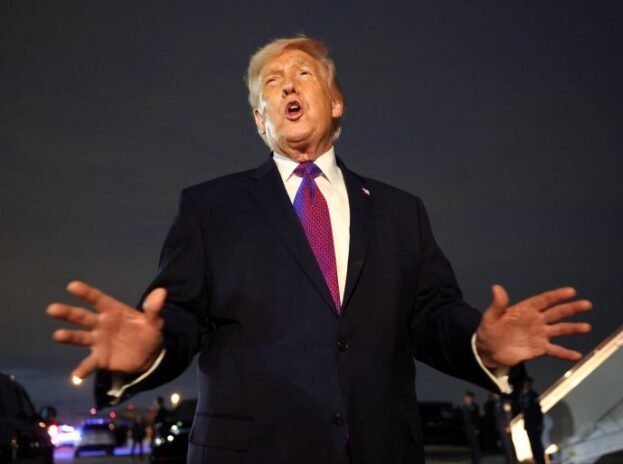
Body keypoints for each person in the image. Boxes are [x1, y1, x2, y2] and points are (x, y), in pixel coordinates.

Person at [46, 36, 592, 464]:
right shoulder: (210, 208)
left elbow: (431, 315)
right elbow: (180, 316)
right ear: (260, 118)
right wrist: (150, 349)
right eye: (271, 81)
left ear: (334, 103)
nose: (287, 83)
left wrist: (482, 345)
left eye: (302, 73)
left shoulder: (400, 212)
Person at [520, 377, 546, 464]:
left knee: (537, 443)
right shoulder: (523, 396)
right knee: (532, 444)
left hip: (535, 424)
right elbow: (524, 411)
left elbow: (538, 410)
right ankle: (537, 460)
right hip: (529, 424)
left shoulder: (533, 395)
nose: (526, 385)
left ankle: (541, 460)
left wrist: (539, 423)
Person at [461, 391, 481, 464]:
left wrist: (477, 428)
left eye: (467, 397)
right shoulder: (464, 406)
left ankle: (477, 461)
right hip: (468, 428)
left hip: (473, 428)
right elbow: (463, 418)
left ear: (471, 398)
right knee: (471, 446)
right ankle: (473, 460)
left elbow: (477, 418)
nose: (466, 399)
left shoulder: (475, 406)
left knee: (475, 446)